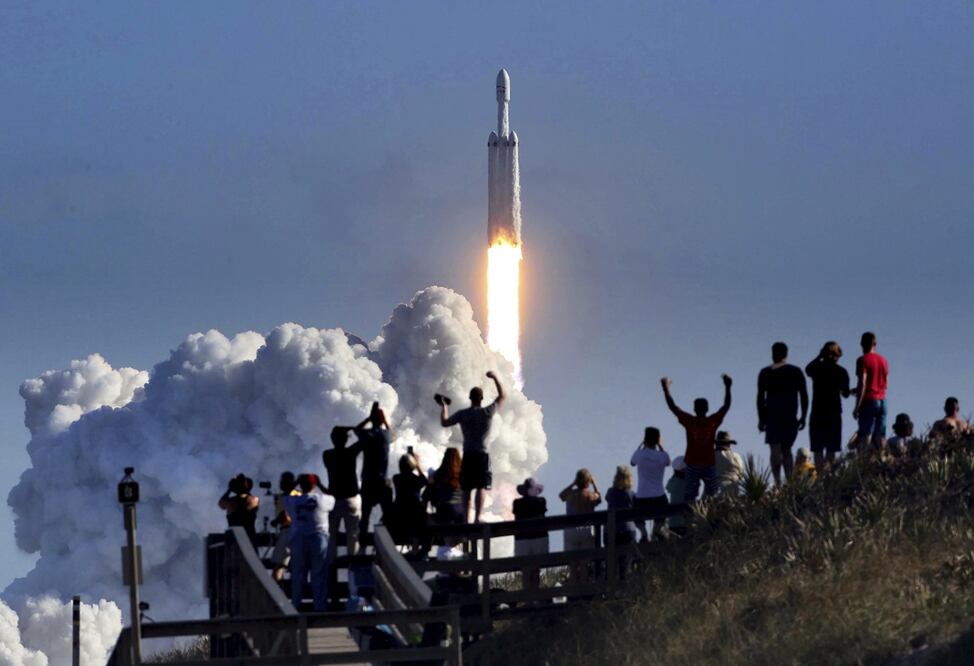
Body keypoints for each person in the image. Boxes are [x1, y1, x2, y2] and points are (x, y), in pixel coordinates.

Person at [438, 371, 506, 523]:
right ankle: (478, 517)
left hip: (468, 454)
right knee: (481, 486)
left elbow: (444, 422)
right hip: (482, 454)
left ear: (470, 398)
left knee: (466, 489)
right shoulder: (487, 412)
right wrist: (495, 377)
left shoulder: (463, 414)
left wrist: (444, 406)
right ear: (481, 398)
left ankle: (466, 519)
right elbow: (502, 396)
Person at [661, 374, 733, 502]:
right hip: (708, 463)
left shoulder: (690, 421)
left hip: (693, 463)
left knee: (690, 496)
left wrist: (666, 389)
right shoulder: (712, 422)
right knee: (712, 494)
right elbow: (726, 406)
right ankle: (709, 511)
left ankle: (691, 513)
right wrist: (728, 387)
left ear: (694, 409)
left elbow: (673, 407)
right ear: (707, 409)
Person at [757, 342, 809, 486]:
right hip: (787, 416)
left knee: (777, 449)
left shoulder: (766, 373)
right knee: (785, 450)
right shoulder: (795, 371)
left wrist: (761, 419)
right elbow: (804, 395)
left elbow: (760, 397)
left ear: (773, 354)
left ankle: (779, 482)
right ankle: (787, 482)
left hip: (774, 417)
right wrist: (804, 416)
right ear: (786, 354)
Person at [284, 473, 335, 612]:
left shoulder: (293, 501)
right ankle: (320, 607)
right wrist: (320, 484)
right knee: (319, 574)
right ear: (314, 484)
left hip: (299, 538)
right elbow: (333, 496)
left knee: (298, 574)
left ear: (301, 485)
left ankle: (295, 606)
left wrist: (295, 482)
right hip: (319, 538)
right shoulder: (323, 499)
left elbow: (285, 493)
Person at [805, 342, 852, 470]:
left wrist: (819, 356)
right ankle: (828, 475)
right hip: (834, 412)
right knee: (831, 448)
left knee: (818, 448)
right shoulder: (841, 372)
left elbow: (807, 369)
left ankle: (820, 474)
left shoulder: (817, 368)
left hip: (818, 411)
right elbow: (846, 394)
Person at [321, 426, 364, 558]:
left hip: (334, 500)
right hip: (351, 499)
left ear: (332, 439)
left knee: (331, 535)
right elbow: (364, 439)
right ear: (346, 439)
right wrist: (353, 428)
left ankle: (331, 562)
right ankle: (353, 563)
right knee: (353, 535)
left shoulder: (327, 455)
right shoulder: (350, 452)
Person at [356, 402, 396, 541]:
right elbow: (394, 434)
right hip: (382, 481)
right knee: (388, 514)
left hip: (368, 481)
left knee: (365, 514)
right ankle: (388, 540)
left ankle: (362, 540)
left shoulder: (367, 435)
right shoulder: (385, 436)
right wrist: (384, 421)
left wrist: (369, 418)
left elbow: (357, 429)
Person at [558, 469, 602, 583]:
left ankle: (573, 586)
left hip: (571, 530)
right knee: (584, 562)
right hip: (586, 531)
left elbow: (561, 495)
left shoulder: (570, 494)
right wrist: (594, 484)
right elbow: (599, 498)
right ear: (588, 482)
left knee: (572, 563)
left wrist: (573, 484)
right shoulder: (590, 495)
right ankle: (584, 585)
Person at [630, 427, 670, 540]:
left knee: (635, 512)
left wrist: (641, 445)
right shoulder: (662, 456)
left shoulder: (639, 454)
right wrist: (660, 446)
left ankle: (643, 532)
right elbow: (668, 463)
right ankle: (657, 528)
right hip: (659, 496)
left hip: (642, 496)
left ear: (645, 439)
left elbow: (632, 463)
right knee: (664, 509)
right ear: (658, 439)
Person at [852, 332, 889, 453]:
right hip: (883, 400)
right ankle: (882, 458)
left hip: (869, 401)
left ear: (862, 344)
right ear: (875, 344)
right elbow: (886, 383)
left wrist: (857, 407)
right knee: (880, 435)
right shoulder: (884, 360)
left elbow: (862, 384)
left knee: (866, 434)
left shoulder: (862, 360)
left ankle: (864, 460)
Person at [425, 448, 465, 559]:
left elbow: (429, 494)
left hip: (445, 512)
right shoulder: (463, 475)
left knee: (426, 521)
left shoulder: (439, 474)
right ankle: (455, 554)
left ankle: (424, 551)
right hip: (461, 514)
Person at [512, 478, 548, 591]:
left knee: (525, 570)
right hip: (539, 536)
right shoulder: (541, 501)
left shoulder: (517, 503)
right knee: (536, 569)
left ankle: (527, 596)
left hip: (522, 538)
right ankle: (535, 594)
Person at [391, 452, 429, 554]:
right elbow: (425, 481)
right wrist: (417, 465)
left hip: (400, 513)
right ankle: (415, 552)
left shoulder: (396, 478)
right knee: (420, 525)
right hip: (415, 513)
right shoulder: (416, 479)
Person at [270, 471, 297, 582]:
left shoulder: (283, 497)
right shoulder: (300, 495)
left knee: (279, 565)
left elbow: (284, 516)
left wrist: (276, 521)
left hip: (287, 531)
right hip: (301, 532)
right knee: (298, 565)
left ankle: (276, 588)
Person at [219, 473, 260, 546]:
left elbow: (221, 504)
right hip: (250, 537)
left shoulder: (231, 502)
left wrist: (229, 490)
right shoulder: (254, 500)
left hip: (235, 538)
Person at [605, 466, 639, 545]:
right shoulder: (631, 494)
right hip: (627, 529)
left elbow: (607, 498)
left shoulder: (610, 493)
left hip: (610, 530)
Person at [714, 431, 744, 496]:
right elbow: (741, 474)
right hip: (731, 490)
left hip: (713, 490)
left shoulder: (709, 457)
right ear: (729, 444)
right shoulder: (736, 457)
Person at [666, 457, 688, 535]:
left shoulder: (673, 481)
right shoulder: (689, 481)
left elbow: (668, 488)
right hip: (686, 520)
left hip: (673, 521)